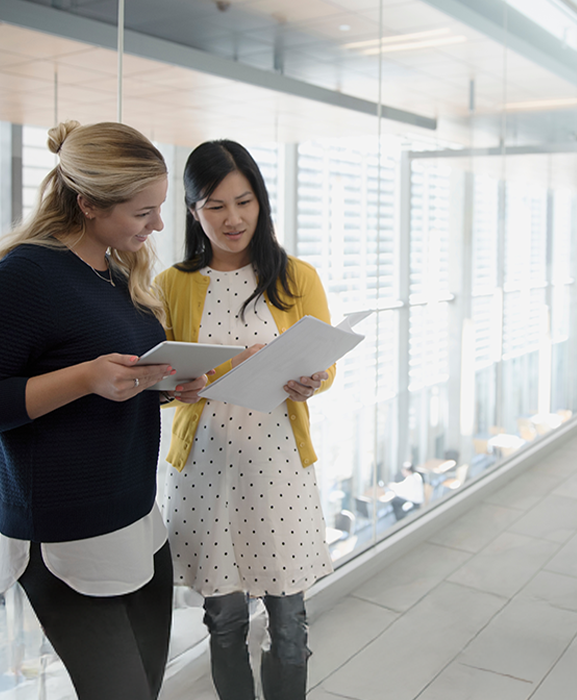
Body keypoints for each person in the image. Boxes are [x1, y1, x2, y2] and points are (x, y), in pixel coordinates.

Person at [0, 121, 201, 700]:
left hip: (137, 522)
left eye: (158, 208)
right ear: (87, 203)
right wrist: (84, 377)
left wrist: (159, 386)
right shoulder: (23, 279)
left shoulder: (114, 270)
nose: (158, 224)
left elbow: (104, 385)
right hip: (65, 539)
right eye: (142, 212)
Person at [158, 140, 335, 700]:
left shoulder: (295, 276)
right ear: (193, 212)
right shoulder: (172, 285)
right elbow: (156, 382)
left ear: (261, 202)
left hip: (279, 468)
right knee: (225, 622)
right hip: (207, 470)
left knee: (289, 626)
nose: (233, 218)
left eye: (245, 201)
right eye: (215, 206)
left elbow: (322, 367)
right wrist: (175, 388)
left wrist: (312, 379)